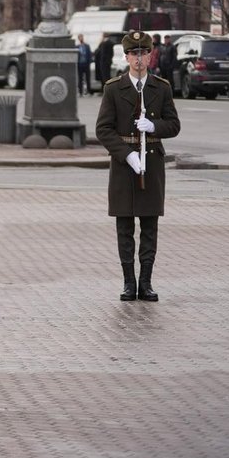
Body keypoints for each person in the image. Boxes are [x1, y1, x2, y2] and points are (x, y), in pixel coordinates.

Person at [96, 30, 182, 302]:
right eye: (134, 54)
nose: (139, 59)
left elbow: (174, 125)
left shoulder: (161, 87)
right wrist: (126, 155)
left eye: (144, 53)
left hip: (151, 163)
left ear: (150, 56)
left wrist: (154, 125)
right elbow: (103, 129)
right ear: (126, 57)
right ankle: (128, 283)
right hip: (124, 167)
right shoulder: (113, 88)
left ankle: (146, 283)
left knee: (149, 225)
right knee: (124, 227)